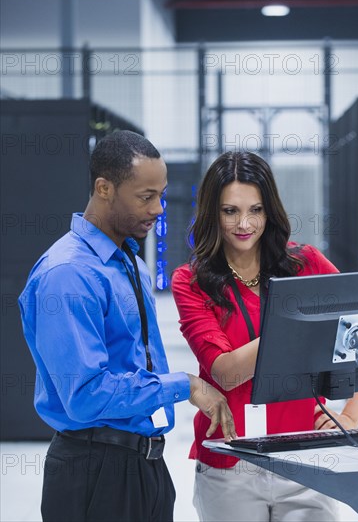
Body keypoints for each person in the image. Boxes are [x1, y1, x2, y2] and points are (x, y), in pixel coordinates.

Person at [18, 131, 236, 522]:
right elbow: (85, 394)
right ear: (104, 188)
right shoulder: (68, 274)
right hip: (94, 472)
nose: (158, 209)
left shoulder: (129, 263)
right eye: (145, 196)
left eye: (161, 195)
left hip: (145, 465)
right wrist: (182, 385)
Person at [171, 151, 358, 522]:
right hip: (229, 462)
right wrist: (298, 326)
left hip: (305, 458)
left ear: (271, 211)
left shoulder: (307, 264)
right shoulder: (191, 281)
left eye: (256, 210)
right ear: (211, 213)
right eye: (229, 210)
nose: (244, 223)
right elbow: (226, 372)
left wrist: (352, 413)